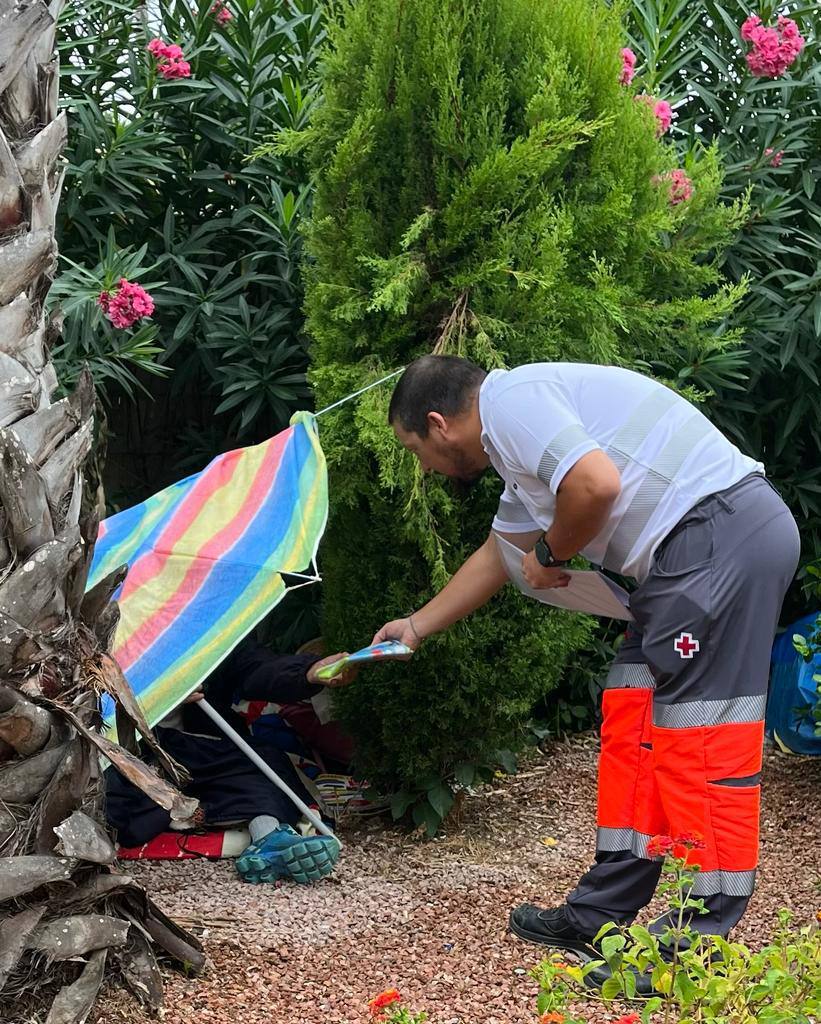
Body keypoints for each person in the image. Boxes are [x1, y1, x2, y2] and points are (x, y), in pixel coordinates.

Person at [372, 355, 800, 987]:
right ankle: (602, 912)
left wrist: (551, 553)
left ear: (439, 425)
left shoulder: (513, 402)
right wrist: (415, 627)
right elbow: (500, 553)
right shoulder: (517, 453)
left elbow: (595, 485)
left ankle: (695, 939)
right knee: (632, 711)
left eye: (416, 451)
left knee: (698, 737)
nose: (425, 469)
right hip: (687, 556)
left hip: (719, 537)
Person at [105, 639, 357, 884]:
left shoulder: (198, 625)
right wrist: (158, 694)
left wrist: (309, 672)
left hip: (194, 744)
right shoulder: (95, 635)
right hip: (126, 749)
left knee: (263, 762)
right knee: (118, 795)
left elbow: (251, 666)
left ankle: (270, 841)